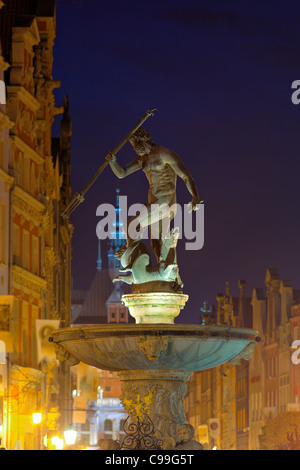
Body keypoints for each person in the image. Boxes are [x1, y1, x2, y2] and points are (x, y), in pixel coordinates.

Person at [107, 128, 202, 265]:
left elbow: (185, 176)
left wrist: (195, 196)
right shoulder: (142, 159)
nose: (134, 149)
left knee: (131, 226)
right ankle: (166, 274)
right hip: (154, 204)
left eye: (134, 145)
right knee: (157, 243)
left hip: (165, 202)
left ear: (142, 141)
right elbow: (122, 173)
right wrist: (112, 162)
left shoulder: (165, 154)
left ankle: (131, 253)